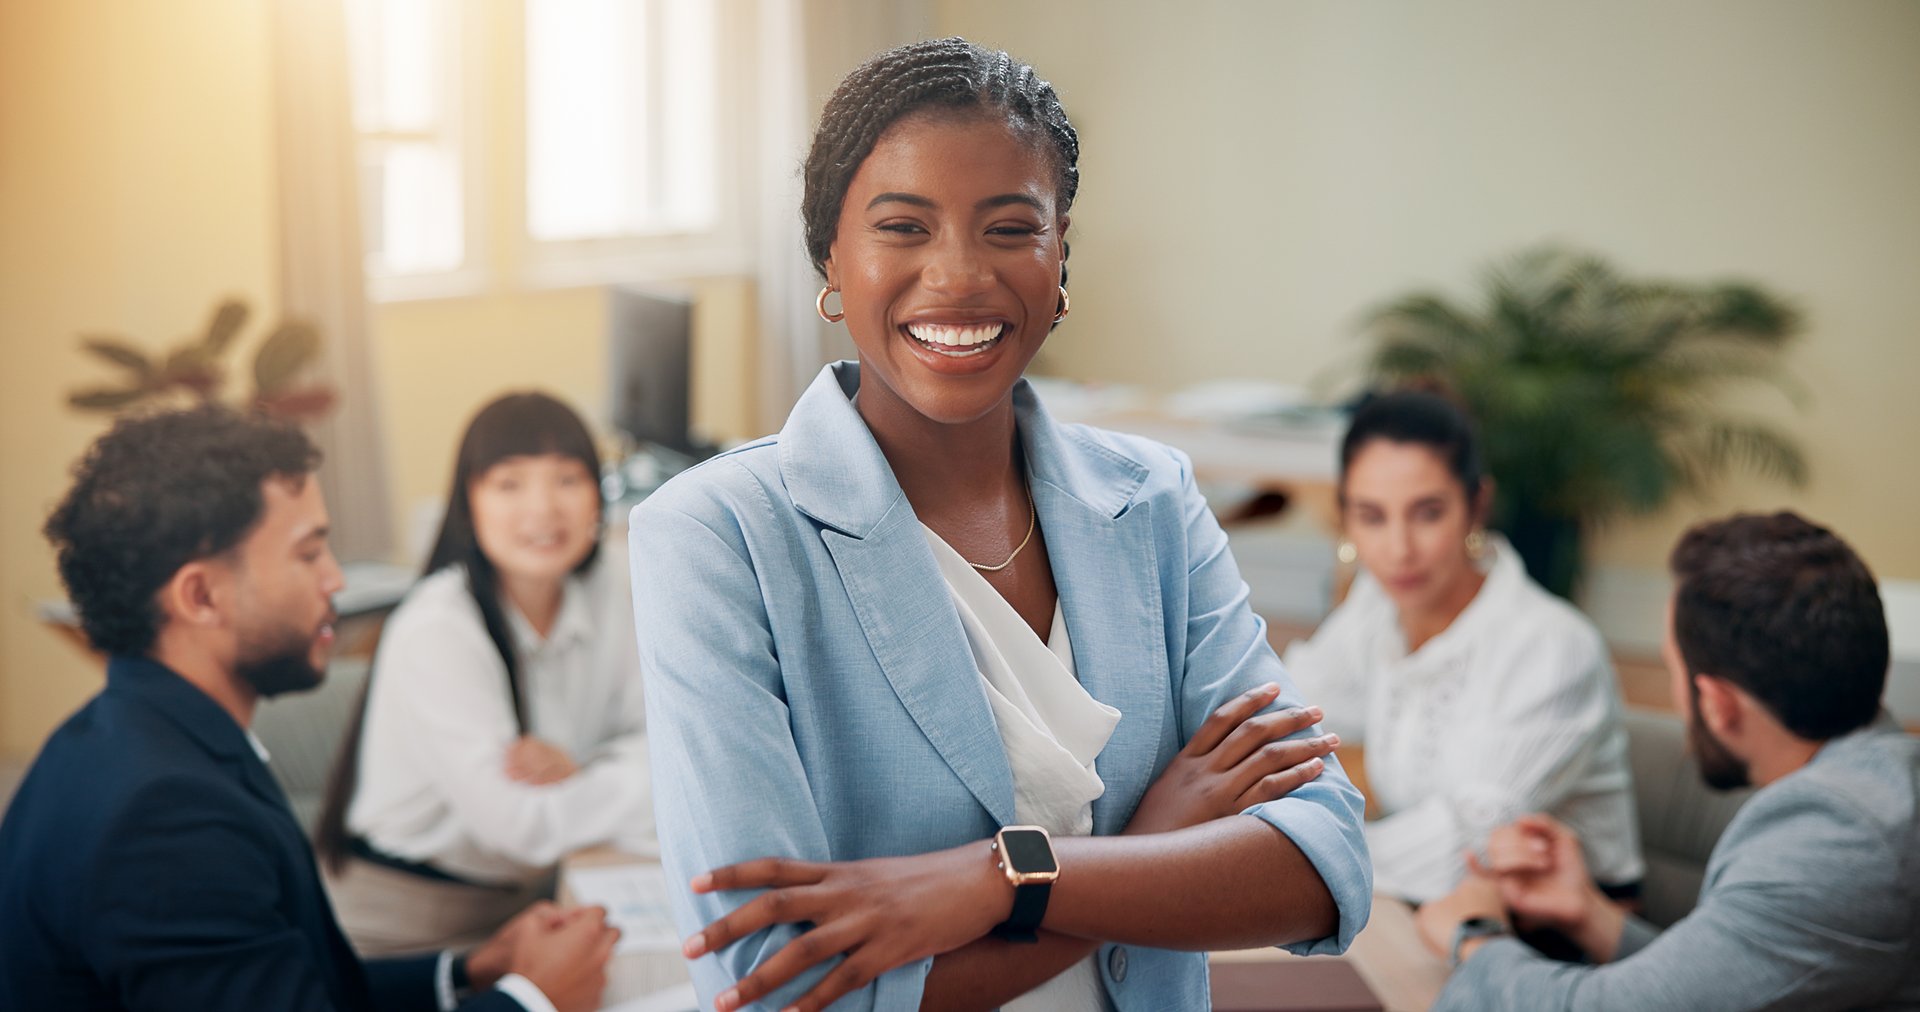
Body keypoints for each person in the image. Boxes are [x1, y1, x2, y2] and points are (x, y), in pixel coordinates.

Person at [630, 37, 1370, 1012]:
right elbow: (780, 984)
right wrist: (1148, 852)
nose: (958, 275)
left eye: (1010, 228)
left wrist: (1002, 876)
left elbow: (1324, 864)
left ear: (1060, 262)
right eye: (903, 226)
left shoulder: (1152, 501)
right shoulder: (717, 535)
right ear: (831, 261)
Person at [0, 407, 618, 1011]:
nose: (335, 580)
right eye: (308, 553)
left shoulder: (141, 737)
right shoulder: (165, 822)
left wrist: (468, 973)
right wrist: (531, 1000)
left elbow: (291, 986)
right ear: (201, 595)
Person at [1417, 511, 1920, 1010]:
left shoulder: (1841, 836)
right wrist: (1591, 915)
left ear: (1718, 704)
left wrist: (1474, 936)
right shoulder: (1875, 782)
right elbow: (1725, 985)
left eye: (1672, 668)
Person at [318, 392, 651, 955]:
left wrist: (580, 770)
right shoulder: (437, 627)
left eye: (567, 480)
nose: (543, 509)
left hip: (529, 899)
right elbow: (521, 826)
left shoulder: (612, 585)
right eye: (509, 484)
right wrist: (653, 779)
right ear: (467, 502)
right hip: (399, 925)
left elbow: (667, 730)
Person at [1281, 390, 1642, 903]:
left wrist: (1285, 854)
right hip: (1418, 903)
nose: (1399, 549)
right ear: (1345, 517)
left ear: (1477, 505)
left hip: (1555, 937)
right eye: (1372, 516)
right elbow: (1285, 714)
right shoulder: (1376, 606)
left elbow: (1466, 844)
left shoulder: (1552, 646)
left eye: (1427, 513)